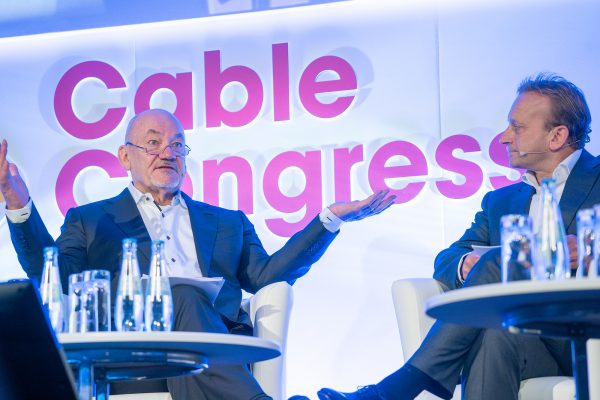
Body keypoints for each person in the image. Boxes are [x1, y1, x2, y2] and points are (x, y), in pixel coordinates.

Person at [0, 108, 396, 400]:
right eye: (153, 143)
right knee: (181, 293)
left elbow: (268, 276)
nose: (167, 153)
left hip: (215, 345)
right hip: (136, 357)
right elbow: (54, 275)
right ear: (125, 157)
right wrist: (18, 205)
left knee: (188, 300)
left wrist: (329, 220)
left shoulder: (225, 222)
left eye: (177, 144)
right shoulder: (90, 220)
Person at [317, 73, 597, 400]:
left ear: (557, 136)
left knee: (501, 261)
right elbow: (447, 260)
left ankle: (404, 385)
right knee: (492, 329)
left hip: (585, 337)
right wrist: (469, 265)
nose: (504, 137)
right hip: (530, 341)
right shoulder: (501, 202)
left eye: (516, 127)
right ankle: (405, 385)